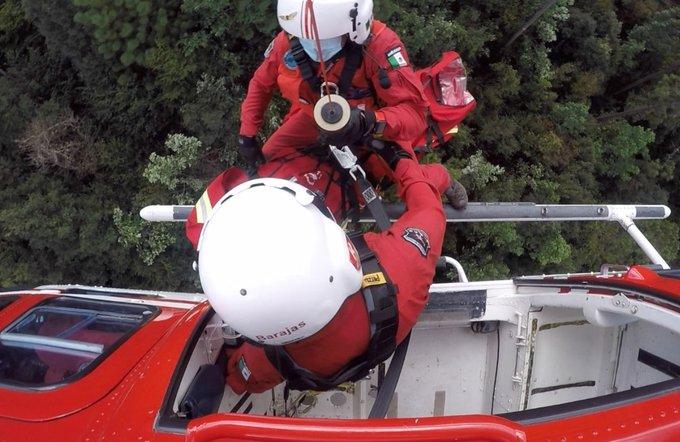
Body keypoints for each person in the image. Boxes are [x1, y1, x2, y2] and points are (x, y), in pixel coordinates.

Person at [197, 144, 446, 393]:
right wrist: (402, 160)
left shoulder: (269, 361)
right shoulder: (403, 266)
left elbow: (240, 379)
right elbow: (427, 206)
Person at [237, 0, 467, 208]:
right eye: (303, 38)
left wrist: (367, 122)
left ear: (355, 31)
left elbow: (414, 115)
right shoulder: (290, 40)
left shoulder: (380, 46)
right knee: (267, 162)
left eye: (324, 39)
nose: (314, 46)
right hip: (316, 118)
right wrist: (247, 136)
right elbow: (260, 85)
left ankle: (441, 177)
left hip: (376, 127)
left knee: (412, 183)